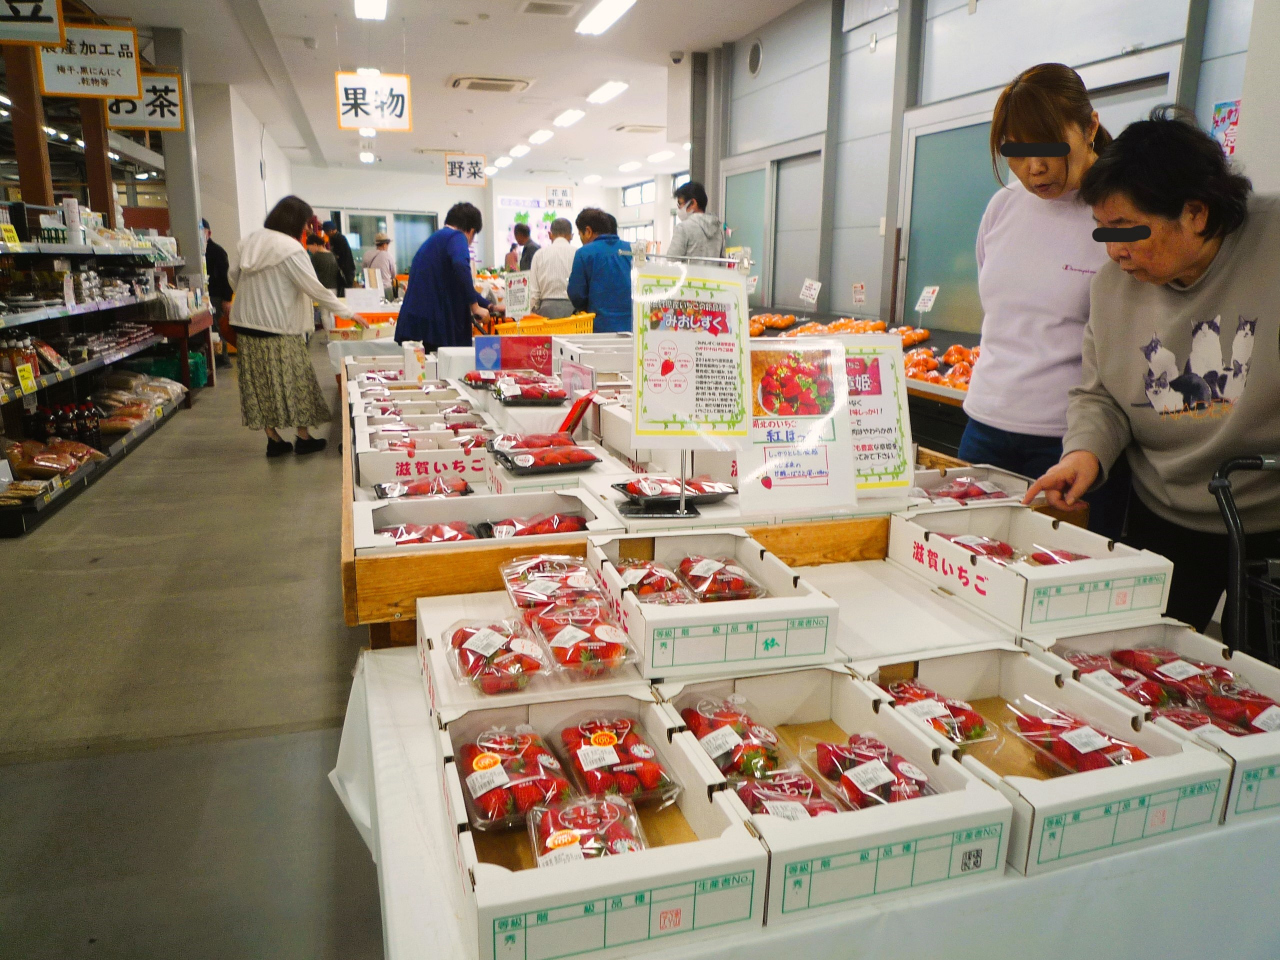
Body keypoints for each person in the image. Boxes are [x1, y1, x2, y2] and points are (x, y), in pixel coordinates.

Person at [1025, 107, 1280, 643]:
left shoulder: (1272, 245)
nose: (1113, 251)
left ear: (1196, 213)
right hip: (1164, 516)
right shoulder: (1111, 288)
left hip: (1270, 520)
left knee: (1263, 676)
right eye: (1102, 230)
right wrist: (1084, 454)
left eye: (1127, 230)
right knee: (1140, 656)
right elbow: (1100, 395)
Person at [959, 63, 1127, 537]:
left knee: (1061, 566)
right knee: (968, 555)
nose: (1034, 168)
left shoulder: (1117, 215)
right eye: (1016, 151)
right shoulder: (1003, 207)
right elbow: (1001, 311)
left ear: (1090, 127)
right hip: (983, 427)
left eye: (1049, 147)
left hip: (1070, 443)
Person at [230, 195, 360, 458]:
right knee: (297, 380)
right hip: (279, 326)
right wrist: (349, 313)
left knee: (260, 385)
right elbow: (314, 288)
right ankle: (303, 437)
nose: (307, 229)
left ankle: (273, 439)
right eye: (305, 223)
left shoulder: (249, 241)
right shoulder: (290, 248)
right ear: (295, 222)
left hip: (245, 324)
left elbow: (234, 278)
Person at [395, 201, 494, 350]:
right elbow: (461, 265)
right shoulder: (457, 237)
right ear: (471, 231)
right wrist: (475, 307)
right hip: (434, 325)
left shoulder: (435, 240)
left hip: (416, 324)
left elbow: (459, 283)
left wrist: (489, 306)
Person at [568, 207, 632, 333]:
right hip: (635, 327)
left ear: (588, 231)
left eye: (580, 234)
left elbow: (576, 295)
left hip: (599, 328)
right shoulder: (634, 250)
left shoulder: (584, 253)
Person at [528, 217, 576, 319]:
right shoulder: (577, 253)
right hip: (573, 312)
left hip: (546, 311)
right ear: (571, 236)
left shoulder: (539, 255)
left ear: (550, 234)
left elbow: (534, 292)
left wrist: (533, 311)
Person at [202, 218, 233, 367]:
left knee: (217, 328)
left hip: (216, 296)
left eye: (202, 232)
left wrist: (227, 299)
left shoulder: (218, 252)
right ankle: (213, 359)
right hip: (205, 295)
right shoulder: (198, 252)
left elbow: (227, 277)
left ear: (209, 233)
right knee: (210, 328)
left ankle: (222, 359)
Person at [668, 181, 726, 260]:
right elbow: (722, 263)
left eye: (680, 204)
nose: (679, 208)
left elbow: (671, 261)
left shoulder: (683, 228)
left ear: (693, 203)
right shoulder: (718, 230)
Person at [306, 232, 343, 328]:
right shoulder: (331, 255)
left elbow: (310, 273)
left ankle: (328, 334)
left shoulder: (316, 257)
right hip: (334, 287)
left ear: (315, 244)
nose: (310, 250)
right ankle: (333, 333)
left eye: (309, 248)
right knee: (332, 313)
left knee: (324, 314)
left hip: (323, 288)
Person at [323, 221, 356, 289]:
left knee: (346, 290)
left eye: (326, 232)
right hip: (343, 269)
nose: (326, 234)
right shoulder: (334, 238)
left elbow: (341, 255)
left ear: (331, 230)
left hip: (345, 270)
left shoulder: (339, 239)